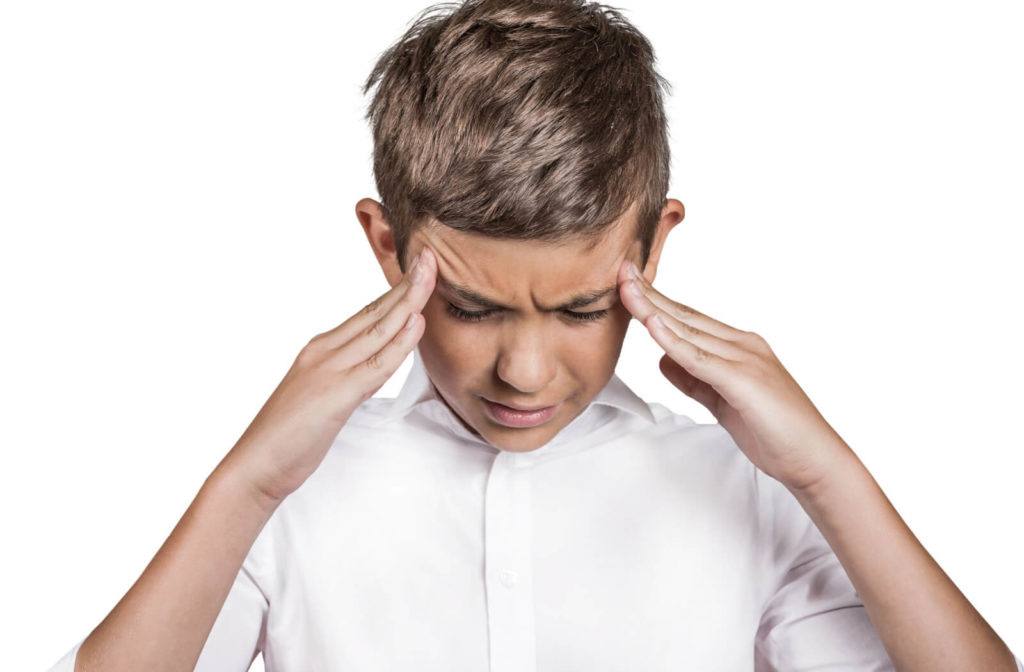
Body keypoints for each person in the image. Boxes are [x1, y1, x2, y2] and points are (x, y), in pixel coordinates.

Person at [46, 1, 1023, 670]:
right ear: (388, 247)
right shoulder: (299, 495)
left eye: (579, 310)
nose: (523, 368)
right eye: (472, 308)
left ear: (654, 243)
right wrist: (248, 481)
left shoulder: (742, 491)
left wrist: (827, 476)